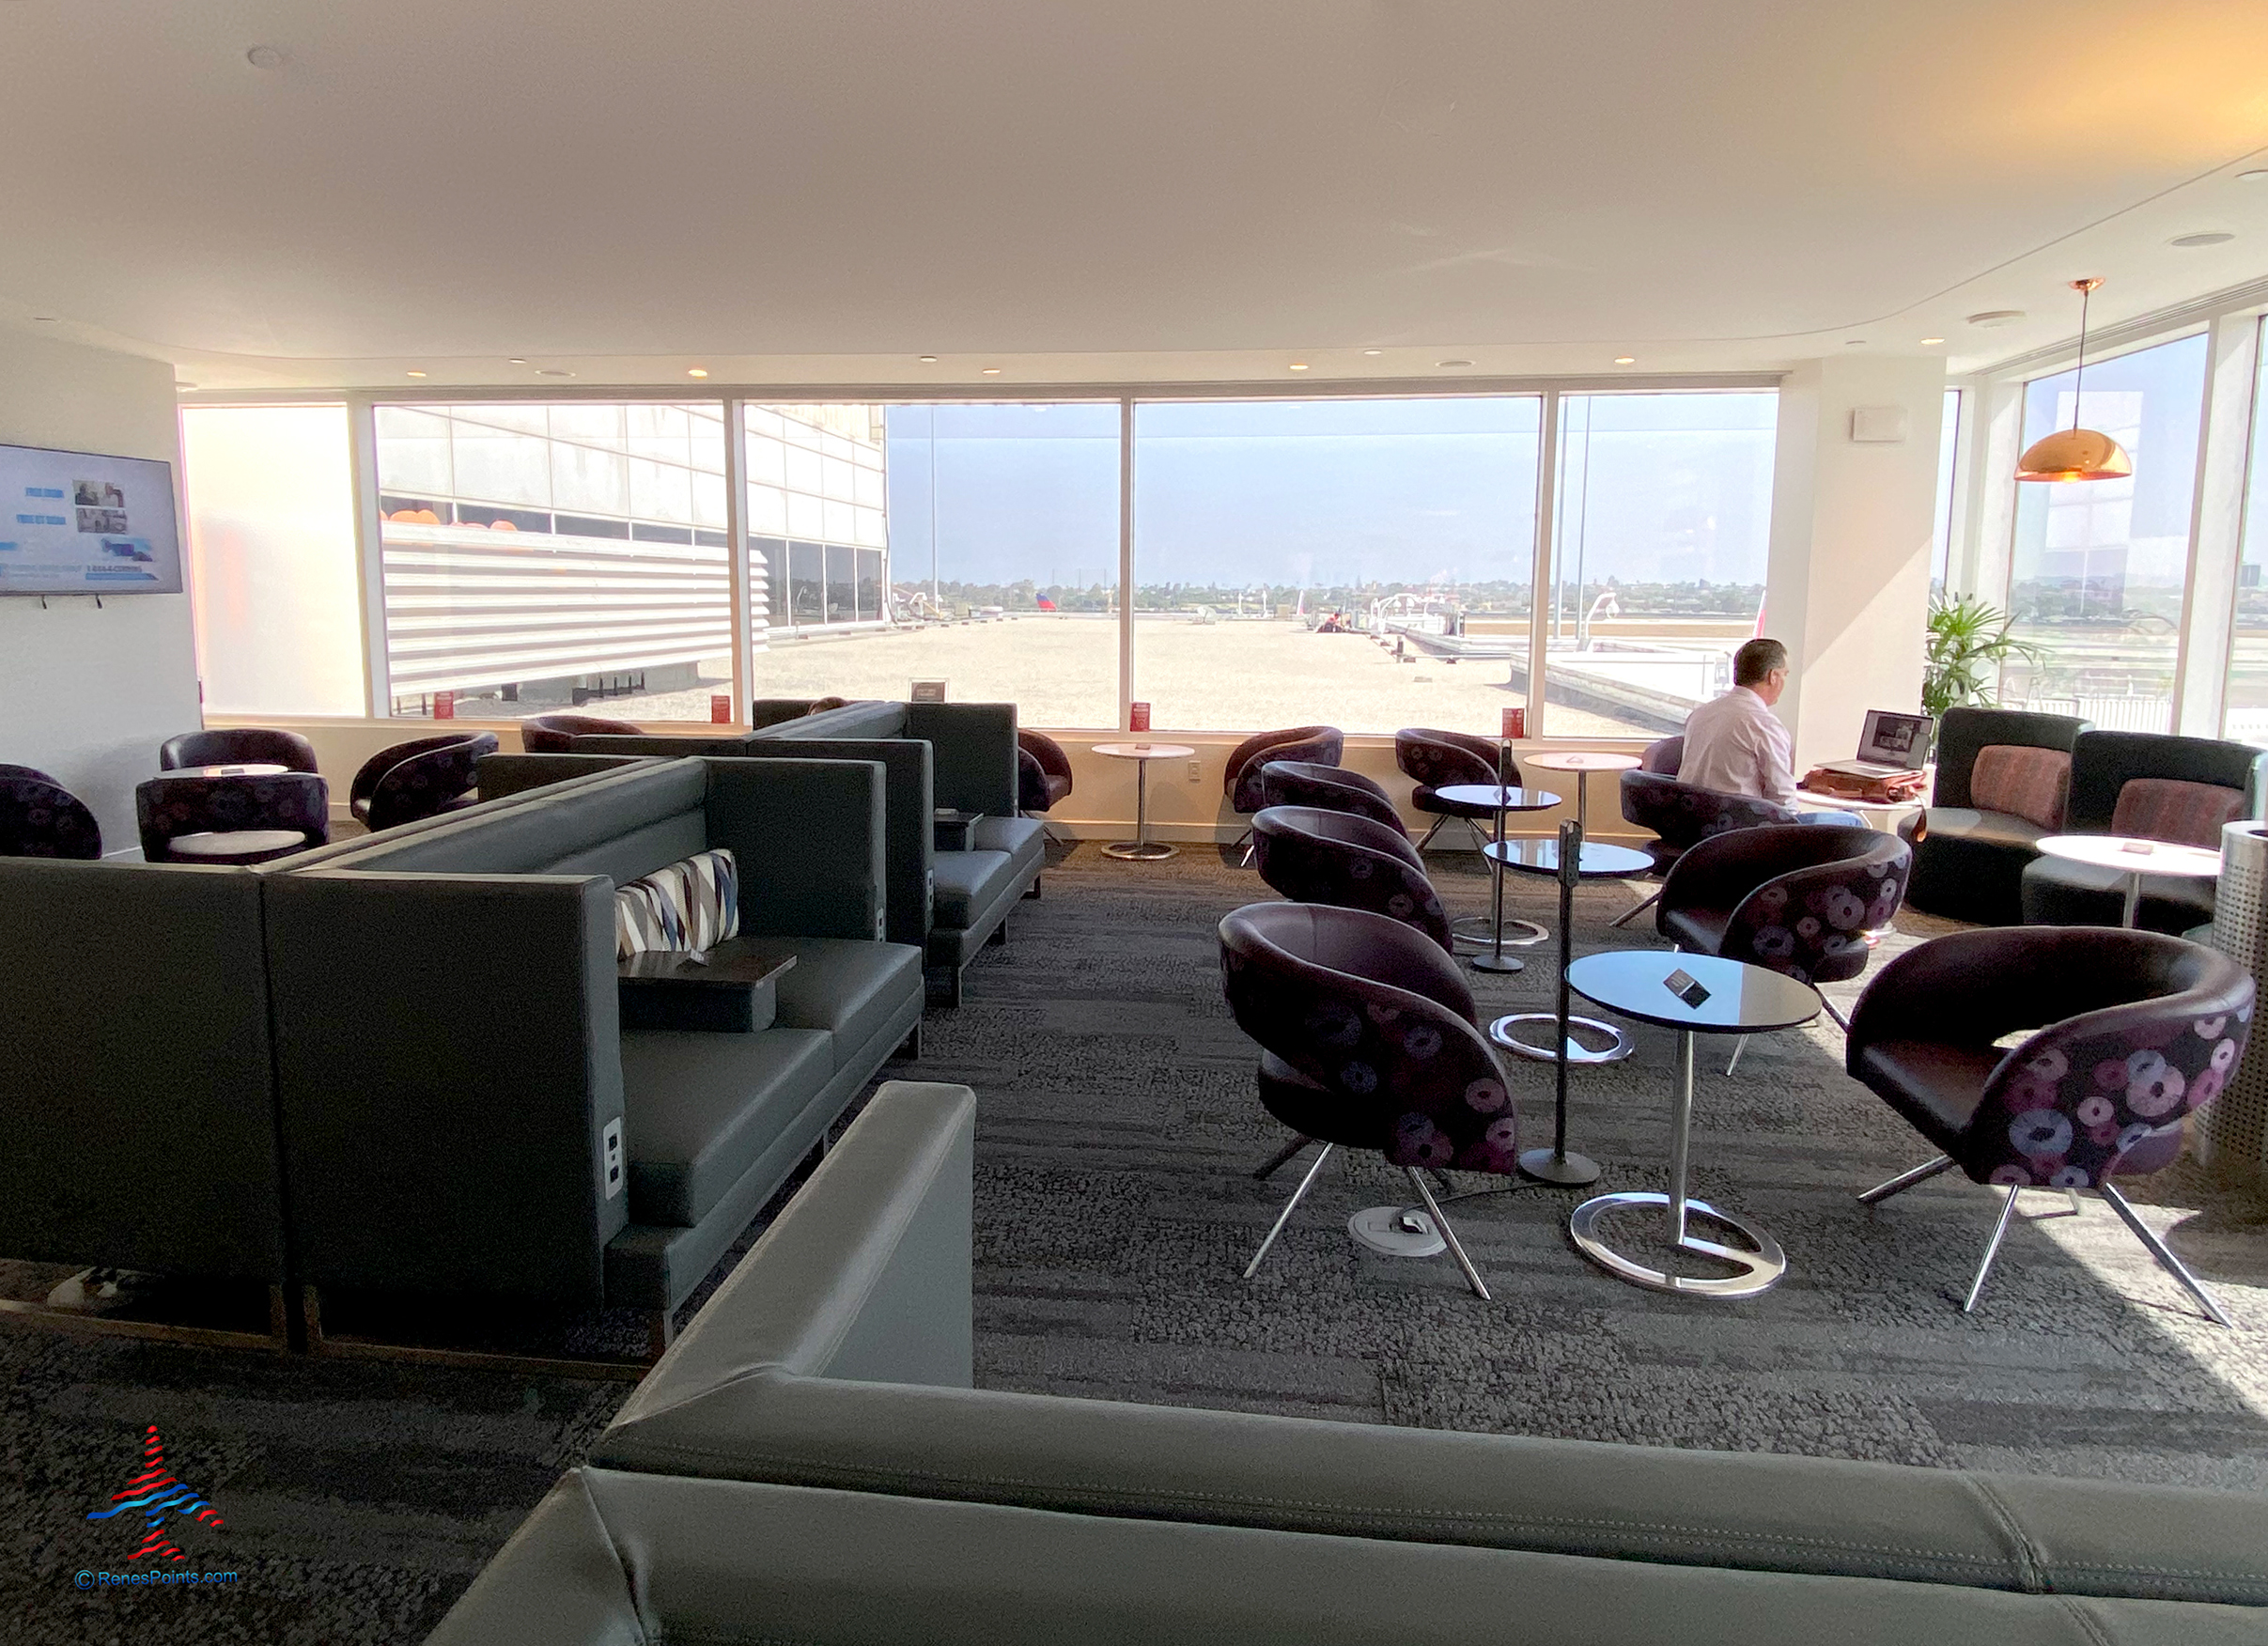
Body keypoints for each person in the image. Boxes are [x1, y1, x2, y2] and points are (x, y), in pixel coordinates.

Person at [1678, 638, 1863, 826]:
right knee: (1852, 821)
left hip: (1694, 825)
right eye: (1784, 674)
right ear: (1773, 676)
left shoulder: (1700, 714)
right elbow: (1783, 801)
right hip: (1741, 830)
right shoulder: (1764, 725)